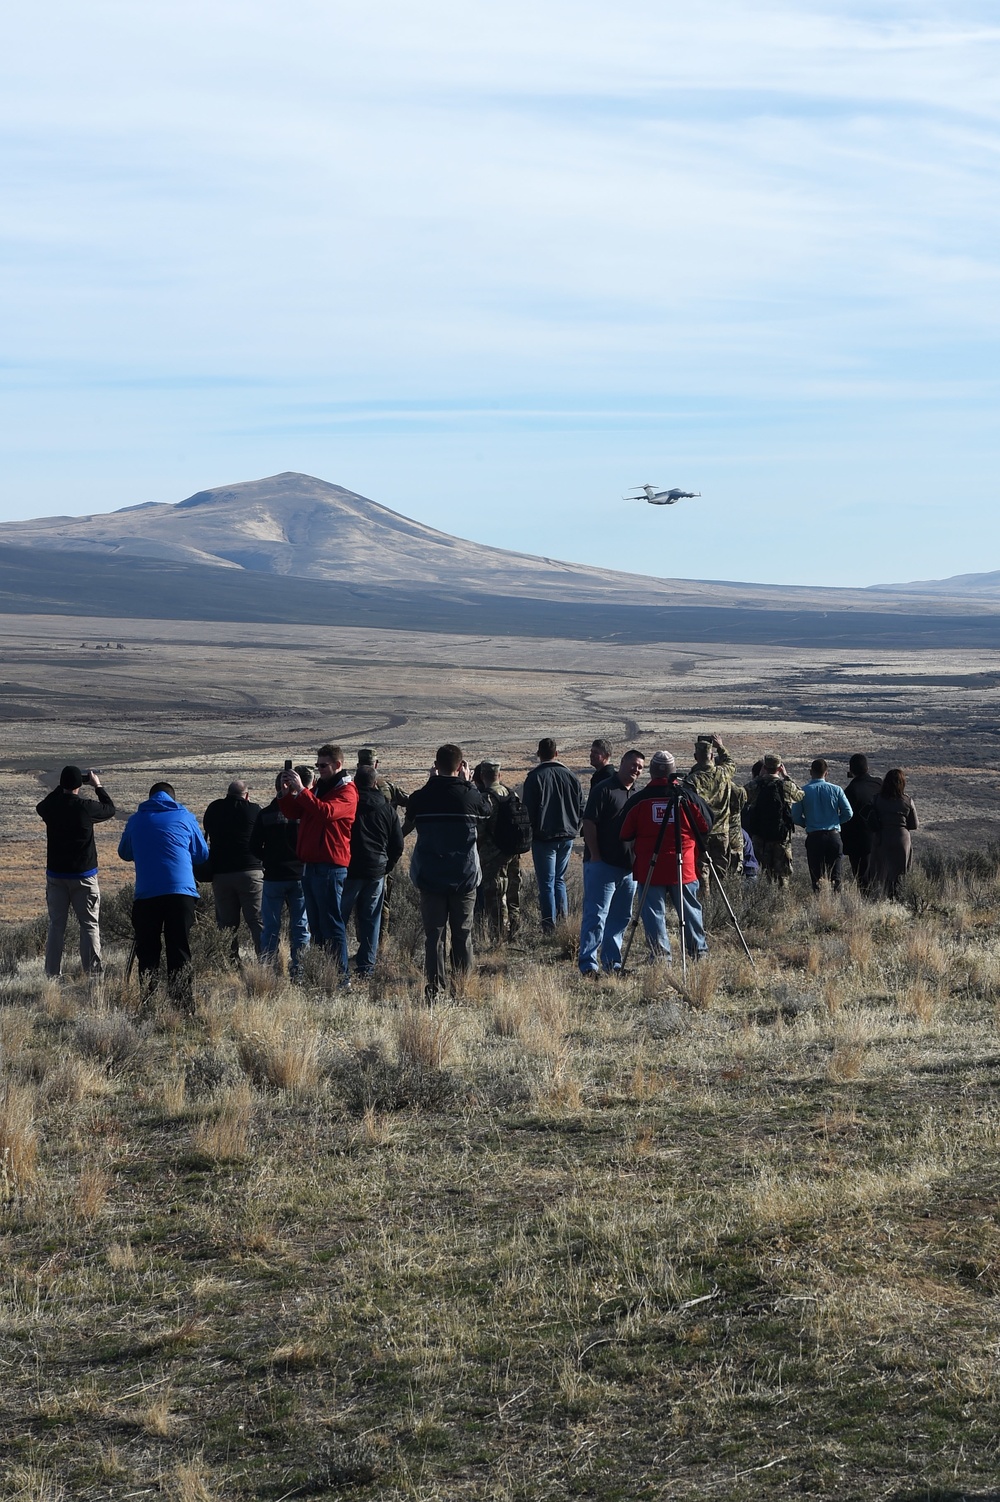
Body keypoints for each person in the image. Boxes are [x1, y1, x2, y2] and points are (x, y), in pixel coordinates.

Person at [403, 744, 491, 1001]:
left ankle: (435, 989)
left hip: (430, 876)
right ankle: (463, 987)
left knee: (435, 936)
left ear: (435, 765)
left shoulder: (422, 796)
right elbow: (487, 811)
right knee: (463, 933)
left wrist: (432, 782)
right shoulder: (469, 796)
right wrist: (469, 784)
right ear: (461, 766)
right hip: (463, 876)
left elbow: (411, 813)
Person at [118, 781, 209, 1010]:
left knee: (147, 949)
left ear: (150, 798)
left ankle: (149, 1003)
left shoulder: (136, 820)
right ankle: (182, 1004)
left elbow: (124, 853)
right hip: (181, 893)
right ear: (173, 797)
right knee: (178, 947)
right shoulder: (185, 817)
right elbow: (201, 854)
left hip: (147, 893)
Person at [619, 751, 712, 963]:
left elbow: (624, 832)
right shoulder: (687, 797)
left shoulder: (640, 800)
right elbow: (706, 825)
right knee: (690, 911)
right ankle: (699, 954)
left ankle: (661, 958)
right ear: (673, 772)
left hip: (651, 867)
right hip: (684, 867)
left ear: (651, 772)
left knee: (653, 914)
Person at [279, 745, 358, 979]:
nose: (320, 769)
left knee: (332, 924)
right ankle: (323, 974)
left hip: (331, 866)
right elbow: (295, 813)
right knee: (316, 925)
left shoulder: (346, 792)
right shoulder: (320, 789)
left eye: (324, 765)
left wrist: (302, 790)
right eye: (318, 765)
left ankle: (340, 976)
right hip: (311, 865)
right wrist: (286, 793)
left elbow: (326, 813)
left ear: (338, 765)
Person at [36, 765, 115, 981]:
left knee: (56, 926)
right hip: (84, 875)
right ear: (79, 786)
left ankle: (51, 975)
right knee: (89, 924)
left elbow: (40, 806)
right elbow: (110, 809)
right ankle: (93, 976)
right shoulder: (86, 808)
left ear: (62, 785)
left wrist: (61, 788)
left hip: (56, 876)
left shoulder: (51, 808)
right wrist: (97, 786)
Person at [578, 748, 645, 977]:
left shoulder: (636, 794)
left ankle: (612, 963)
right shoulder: (604, 789)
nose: (635, 770)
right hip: (602, 865)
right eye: (633, 764)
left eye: (640, 768)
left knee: (620, 918)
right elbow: (589, 822)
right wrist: (595, 855)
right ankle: (588, 965)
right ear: (622, 762)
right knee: (596, 916)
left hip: (628, 869)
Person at [342, 765, 404, 976]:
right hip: (376, 870)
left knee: (339, 917)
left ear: (355, 783)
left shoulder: (350, 804)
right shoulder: (387, 809)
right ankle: (367, 966)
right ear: (375, 783)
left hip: (349, 868)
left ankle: (337, 962)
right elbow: (398, 844)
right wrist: (387, 866)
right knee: (371, 918)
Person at [250, 770, 311, 978]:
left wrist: (268, 859)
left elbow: (254, 846)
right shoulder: (303, 814)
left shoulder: (265, 814)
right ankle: (299, 969)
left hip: (274, 876)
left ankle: (268, 969)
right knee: (301, 926)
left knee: (270, 926)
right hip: (299, 875)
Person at [522, 738, 585, 933]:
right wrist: (575, 826)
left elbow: (528, 811)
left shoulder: (534, 777)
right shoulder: (571, 776)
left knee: (546, 883)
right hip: (567, 836)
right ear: (556, 754)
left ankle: (549, 926)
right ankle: (563, 921)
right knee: (559, 880)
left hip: (544, 837)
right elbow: (581, 806)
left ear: (538, 754)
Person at [203, 780, 264, 963]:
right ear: (246, 795)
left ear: (227, 794)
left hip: (221, 874)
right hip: (250, 872)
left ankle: (230, 963)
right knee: (258, 922)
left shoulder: (214, 808)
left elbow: (206, 832)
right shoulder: (254, 810)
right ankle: (266, 961)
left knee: (226, 925)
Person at [472, 758, 522, 940]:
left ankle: (499, 935)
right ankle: (515, 929)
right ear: (499, 775)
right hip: (514, 851)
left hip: (493, 855)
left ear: (483, 776)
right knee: (513, 892)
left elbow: (480, 830)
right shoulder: (511, 794)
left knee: (496, 895)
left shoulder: (486, 798)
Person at [791, 758, 854, 892]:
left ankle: (820, 905)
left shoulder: (803, 792)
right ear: (826, 773)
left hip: (814, 838)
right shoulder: (836, 790)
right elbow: (848, 813)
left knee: (816, 878)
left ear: (810, 772)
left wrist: (807, 823)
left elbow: (795, 817)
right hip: (833, 837)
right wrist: (836, 822)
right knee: (836, 878)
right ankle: (835, 907)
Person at [683, 734, 735, 894]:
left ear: (695, 757)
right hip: (722, 831)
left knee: (702, 869)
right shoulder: (724, 773)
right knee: (720, 869)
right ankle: (720, 902)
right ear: (712, 756)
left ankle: (705, 903)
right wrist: (720, 746)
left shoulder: (692, 780)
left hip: (702, 832)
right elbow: (730, 762)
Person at [744, 754, 804, 886]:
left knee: (761, 875)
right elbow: (800, 795)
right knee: (783, 877)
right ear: (779, 768)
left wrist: (759, 777)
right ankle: (783, 904)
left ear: (764, 767)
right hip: (781, 838)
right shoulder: (785, 786)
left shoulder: (756, 786)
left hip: (760, 838)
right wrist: (786, 776)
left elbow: (743, 795)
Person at [868, 769, 918, 899]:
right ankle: (899, 899)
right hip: (901, 839)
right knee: (901, 874)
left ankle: (881, 899)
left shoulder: (877, 799)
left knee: (881, 873)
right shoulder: (907, 801)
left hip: (882, 838)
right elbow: (914, 825)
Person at [842, 753, 882, 889]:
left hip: (859, 844)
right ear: (867, 767)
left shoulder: (850, 791)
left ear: (851, 770)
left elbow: (846, 819)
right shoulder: (878, 784)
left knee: (863, 883)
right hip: (881, 839)